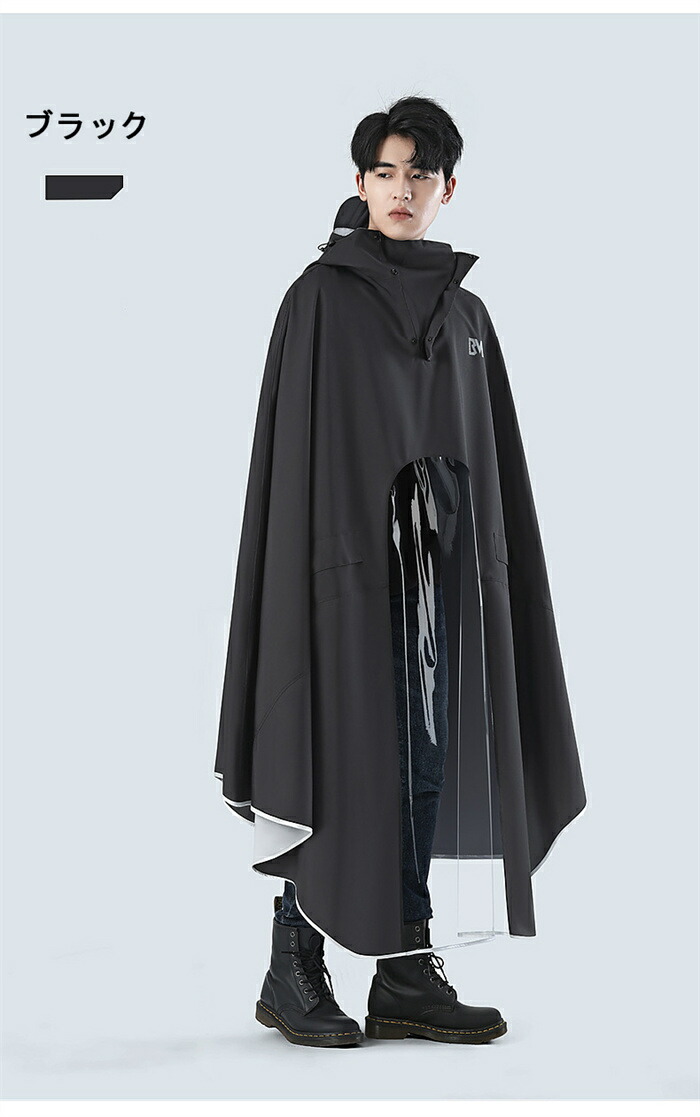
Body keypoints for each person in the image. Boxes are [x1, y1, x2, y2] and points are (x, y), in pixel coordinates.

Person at [215, 94, 586, 1048]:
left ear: (448, 188)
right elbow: (298, 453)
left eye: (420, 174)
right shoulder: (319, 298)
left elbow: (489, 457)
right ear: (360, 182)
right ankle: (292, 965)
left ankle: (406, 971)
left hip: (439, 573)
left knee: (428, 755)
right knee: (333, 746)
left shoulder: (467, 314)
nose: (402, 190)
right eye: (385, 172)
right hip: (338, 574)